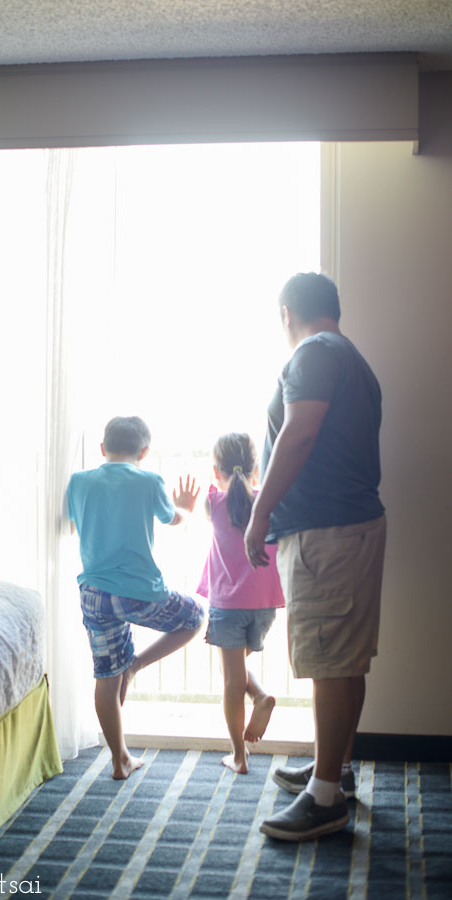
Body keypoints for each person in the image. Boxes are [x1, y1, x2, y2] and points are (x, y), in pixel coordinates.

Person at [244, 272, 386, 841]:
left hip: (328, 533)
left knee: (330, 660)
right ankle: (338, 770)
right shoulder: (349, 356)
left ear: (286, 313)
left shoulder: (312, 354)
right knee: (345, 659)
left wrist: (258, 514)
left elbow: (298, 433)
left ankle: (325, 796)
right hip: (349, 527)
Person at [67, 415, 205, 780]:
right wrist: (187, 508)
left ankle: (120, 759)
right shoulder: (149, 480)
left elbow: (72, 521)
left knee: (105, 676)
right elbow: (172, 518)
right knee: (195, 617)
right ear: (145, 451)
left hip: (94, 592)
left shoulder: (79, 482)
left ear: (102, 449)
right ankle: (137, 664)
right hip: (138, 593)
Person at [197, 433, 284, 774]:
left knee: (231, 680)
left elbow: (222, 497)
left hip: (228, 606)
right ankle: (260, 695)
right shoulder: (269, 501)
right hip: (263, 606)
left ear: (216, 472)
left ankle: (238, 755)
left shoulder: (213, 503)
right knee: (232, 670)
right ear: (256, 469)